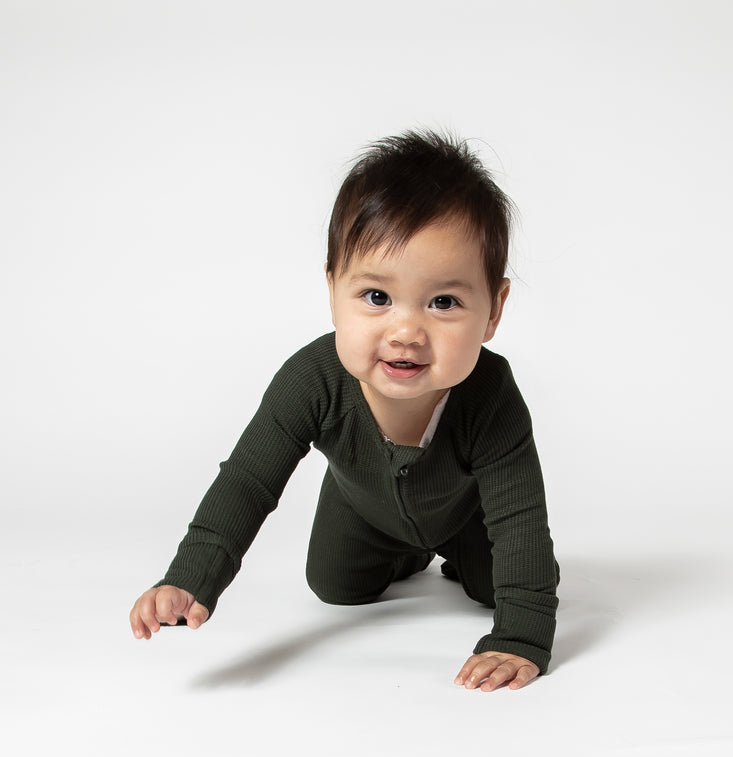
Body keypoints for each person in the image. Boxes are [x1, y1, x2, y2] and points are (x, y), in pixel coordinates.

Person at [129, 129, 559, 692]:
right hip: (361, 508)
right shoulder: (312, 379)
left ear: (493, 311)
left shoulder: (491, 394)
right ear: (333, 290)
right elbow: (248, 482)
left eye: (444, 302)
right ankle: (405, 554)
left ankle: (452, 554)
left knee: (495, 584)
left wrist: (522, 635)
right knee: (334, 585)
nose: (406, 332)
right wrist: (189, 579)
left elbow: (520, 516)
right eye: (377, 297)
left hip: (466, 516)